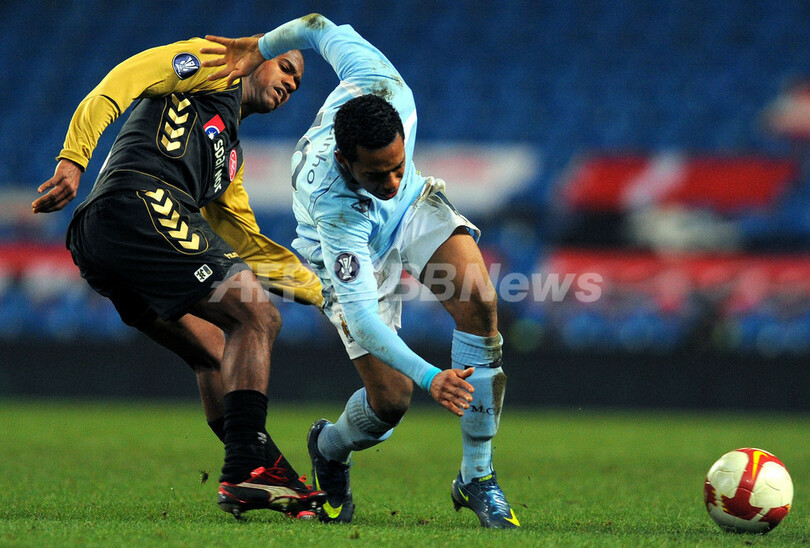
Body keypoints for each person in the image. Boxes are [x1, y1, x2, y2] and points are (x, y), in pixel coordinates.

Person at [202, 14, 520, 528]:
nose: (392, 179)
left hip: (415, 215)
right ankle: (329, 447)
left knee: (480, 302)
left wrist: (258, 47)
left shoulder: (384, 84)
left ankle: (478, 477)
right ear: (347, 163)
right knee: (391, 402)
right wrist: (431, 377)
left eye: (399, 163)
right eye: (377, 173)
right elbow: (366, 321)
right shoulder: (334, 200)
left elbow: (316, 24)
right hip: (348, 250)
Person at [31, 37, 326, 519]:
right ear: (259, 52)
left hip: (106, 239)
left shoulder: (228, 158)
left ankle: (267, 475)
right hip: (137, 203)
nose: (293, 82)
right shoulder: (210, 64)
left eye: (298, 81)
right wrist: (74, 156)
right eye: (288, 66)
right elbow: (121, 82)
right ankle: (246, 471)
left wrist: (324, 293)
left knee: (213, 351)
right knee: (257, 316)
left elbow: (249, 242)